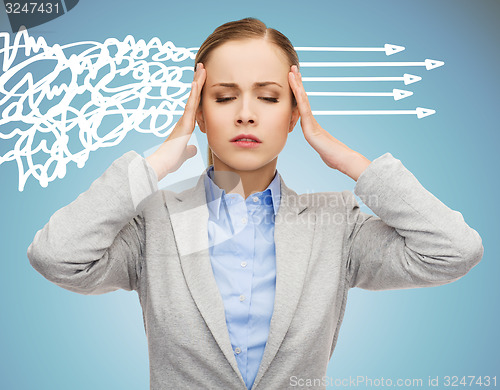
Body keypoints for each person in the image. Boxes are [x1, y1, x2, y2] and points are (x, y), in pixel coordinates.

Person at [27, 17, 484, 390]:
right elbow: (57, 256)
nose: (246, 112)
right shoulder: (158, 220)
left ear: (294, 114)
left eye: (269, 97)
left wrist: (349, 160)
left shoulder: (334, 224)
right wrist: (152, 166)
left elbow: (454, 251)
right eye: (224, 97)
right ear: (200, 113)